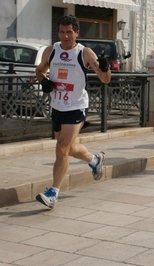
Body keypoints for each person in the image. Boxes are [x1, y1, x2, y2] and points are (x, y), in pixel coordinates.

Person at [35, 15, 111, 208]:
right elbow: (39, 70)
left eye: (69, 32)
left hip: (76, 107)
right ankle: (95, 160)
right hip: (57, 106)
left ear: (77, 32)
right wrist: (44, 81)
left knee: (61, 149)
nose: (65, 36)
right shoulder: (51, 51)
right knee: (68, 148)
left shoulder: (84, 53)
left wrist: (105, 67)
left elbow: (105, 79)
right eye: (62, 32)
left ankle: (53, 193)